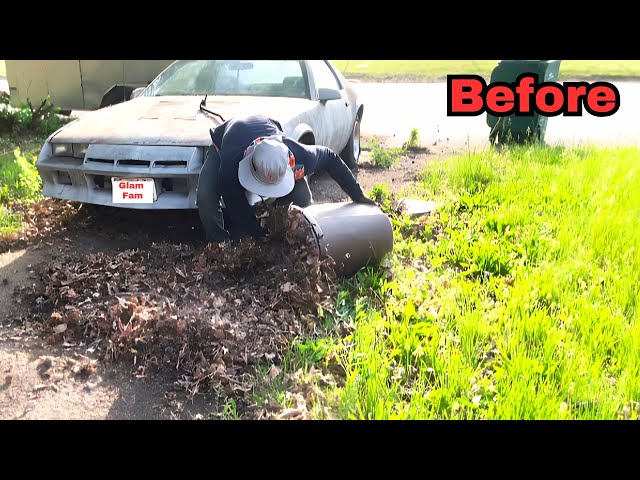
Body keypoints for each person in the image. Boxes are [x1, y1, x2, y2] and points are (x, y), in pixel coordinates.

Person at [197, 114, 376, 242]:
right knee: (205, 195)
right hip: (224, 143)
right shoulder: (229, 165)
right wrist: (256, 232)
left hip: (268, 131)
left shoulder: (301, 156)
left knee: (303, 199)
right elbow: (236, 205)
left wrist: (358, 195)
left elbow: (332, 159)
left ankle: (293, 234)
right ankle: (217, 241)